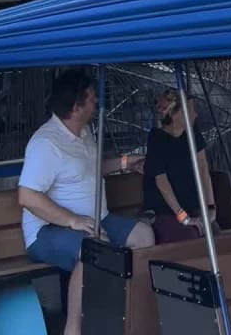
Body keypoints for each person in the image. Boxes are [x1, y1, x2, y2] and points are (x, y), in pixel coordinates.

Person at [18, 69, 153, 335]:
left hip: (96, 219)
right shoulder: (46, 143)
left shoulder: (85, 132)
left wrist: (126, 163)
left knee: (144, 236)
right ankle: (73, 329)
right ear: (76, 106)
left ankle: (131, 317)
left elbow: (90, 168)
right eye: (92, 98)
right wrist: (72, 220)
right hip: (47, 232)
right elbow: (27, 196)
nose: (97, 103)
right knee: (94, 248)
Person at [143, 89, 216, 243]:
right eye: (189, 110)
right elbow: (162, 183)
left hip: (192, 206)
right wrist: (183, 217)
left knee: (215, 234)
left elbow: (203, 170)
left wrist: (210, 208)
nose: (195, 114)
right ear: (174, 114)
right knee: (190, 237)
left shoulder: (192, 134)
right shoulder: (157, 139)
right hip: (165, 212)